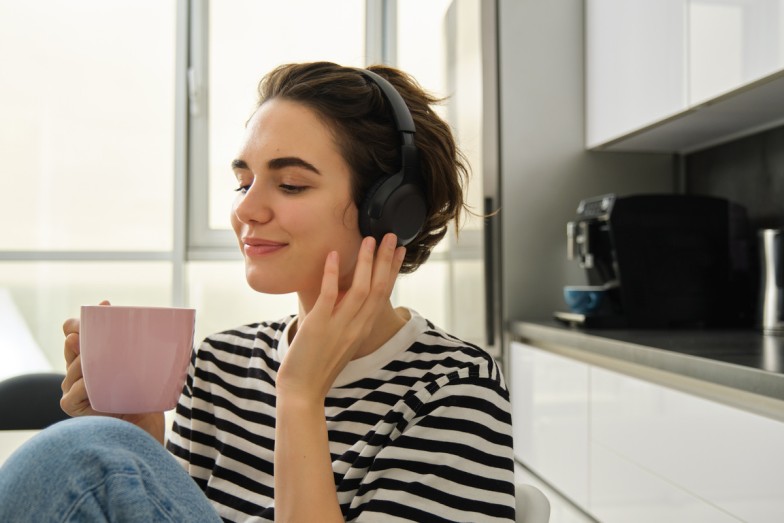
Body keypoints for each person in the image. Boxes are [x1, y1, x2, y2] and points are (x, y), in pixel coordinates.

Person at [0, 62, 515, 522]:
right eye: (243, 182)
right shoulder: (220, 365)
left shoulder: (454, 388)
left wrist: (301, 395)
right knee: (95, 447)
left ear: (390, 209)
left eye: (290, 184)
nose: (246, 210)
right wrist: (140, 448)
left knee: (81, 456)